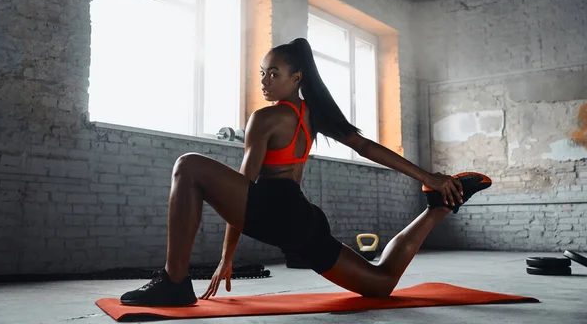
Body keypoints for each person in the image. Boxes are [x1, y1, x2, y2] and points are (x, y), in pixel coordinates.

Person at [120, 38, 478, 307]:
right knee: (381, 281)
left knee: (187, 165)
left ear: (296, 77)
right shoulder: (315, 113)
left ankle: (175, 281)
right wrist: (426, 178)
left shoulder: (264, 118)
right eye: (262, 73)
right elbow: (365, 146)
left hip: (270, 209)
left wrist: (227, 257)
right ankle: (436, 209)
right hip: (302, 220)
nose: (265, 81)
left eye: (274, 74)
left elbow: (245, 187)